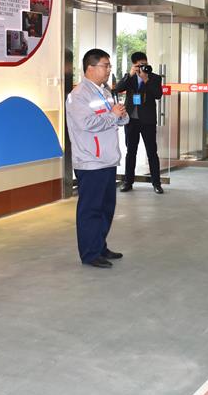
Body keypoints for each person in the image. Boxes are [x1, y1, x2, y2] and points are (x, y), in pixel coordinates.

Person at [65, 48, 128, 268]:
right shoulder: (79, 95)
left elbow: (114, 118)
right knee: (91, 209)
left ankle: (100, 246)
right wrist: (113, 115)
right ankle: (90, 254)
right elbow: (87, 124)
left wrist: (121, 115)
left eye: (109, 66)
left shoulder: (105, 91)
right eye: (105, 65)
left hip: (107, 159)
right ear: (90, 68)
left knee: (106, 207)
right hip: (91, 161)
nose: (109, 70)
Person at [115, 52, 164, 194]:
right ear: (134, 65)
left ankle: (157, 183)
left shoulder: (154, 77)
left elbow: (158, 95)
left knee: (152, 152)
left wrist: (146, 79)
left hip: (148, 120)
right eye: (139, 65)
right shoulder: (130, 77)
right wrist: (129, 74)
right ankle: (128, 182)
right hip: (131, 120)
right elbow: (118, 88)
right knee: (131, 152)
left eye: (145, 64)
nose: (143, 67)